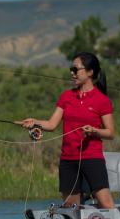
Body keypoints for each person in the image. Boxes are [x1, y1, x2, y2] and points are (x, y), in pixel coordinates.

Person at [21, 52, 115, 209]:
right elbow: (51, 124)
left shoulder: (102, 100)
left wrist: (94, 131)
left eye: (76, 69)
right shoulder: (66, 96)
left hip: (92, 158)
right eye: (71, 69)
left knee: (106, 204)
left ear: (90, 72)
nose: (72, 73)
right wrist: (34, 122)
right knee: (70, 207)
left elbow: (110, 133)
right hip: (68, 160)